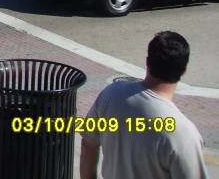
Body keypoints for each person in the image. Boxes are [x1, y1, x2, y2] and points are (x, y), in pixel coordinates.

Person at [79, 31, 208, 179]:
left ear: (147, 61)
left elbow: (88, 144)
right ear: (184, 69)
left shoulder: (111, 94)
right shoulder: (184, 134)